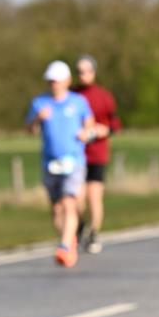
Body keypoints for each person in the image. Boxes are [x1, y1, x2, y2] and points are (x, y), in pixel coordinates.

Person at [26, 61, 95, 267]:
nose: (53, 84)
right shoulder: (40, 103)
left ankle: (64, 246)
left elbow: (89, 126)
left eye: (56, 80)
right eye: (50, 81)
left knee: (69, 202)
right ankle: (69, 240)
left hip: (74, 160)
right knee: (56, 209)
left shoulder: (78, 102)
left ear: (67, 81)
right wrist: (38, 119)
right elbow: (30, 130)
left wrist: (86, 134)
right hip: (50, 162)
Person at [72, 54, 121, 254]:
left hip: (97, 153)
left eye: (85, 71)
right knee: (76, 198)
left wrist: (104, 130)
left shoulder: (103, 96)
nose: (82, 75)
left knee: (94, 197)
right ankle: (79, 226)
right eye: (79, 72)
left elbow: (115, 124)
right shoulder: (72, 95)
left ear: (93, 72)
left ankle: (93, 233)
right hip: (76, 153)